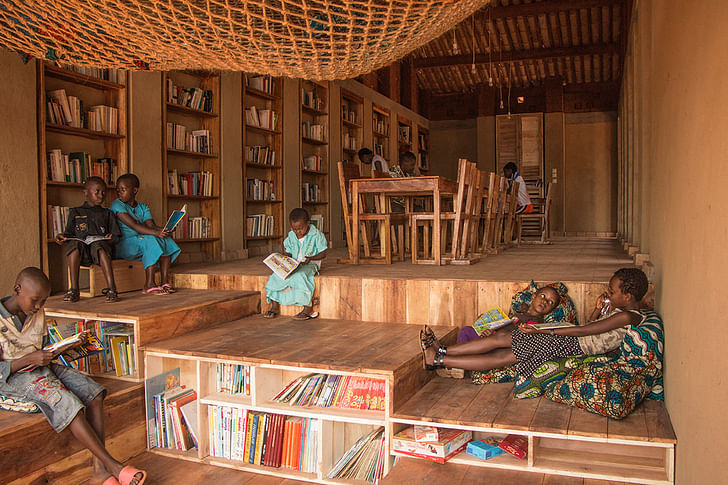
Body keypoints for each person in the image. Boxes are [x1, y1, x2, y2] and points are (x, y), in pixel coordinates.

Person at [0, 267, 147, 485]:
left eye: (44, 301)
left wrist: (63, 349)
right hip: (14, 378)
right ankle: (113, 465)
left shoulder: (36, 312)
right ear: (17, 289)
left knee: (94, 393)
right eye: (35, 300)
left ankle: (99, 472)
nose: (39, 306)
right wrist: (30, 360)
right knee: (68, 402)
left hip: (40, 367)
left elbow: (40, 347)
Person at [421, 268, 649, 378]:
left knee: (501, 347)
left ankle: (440, 355)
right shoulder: (624, 311)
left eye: (612, 291)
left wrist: (544, 330)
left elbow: (585, 330)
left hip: (569, 344)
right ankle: (440, 354)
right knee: (502, 347)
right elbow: (591, 325)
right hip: (569, 340)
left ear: (628, 296)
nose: (609, 293)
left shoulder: (627, 317)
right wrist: (598, 309)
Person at [110, 173, 181, 294]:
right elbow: (134, 226)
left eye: (123, 189)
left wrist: (165, 230)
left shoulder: (143, 207)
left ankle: (164, 282)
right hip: (124, 245)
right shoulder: (117, 205)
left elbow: (151, 226)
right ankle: (149, 284)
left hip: (140, 240)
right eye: (118, 190)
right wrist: (156, 233)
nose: (119, 193)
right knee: (150, 239)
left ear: (134, 190)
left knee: (166, 240)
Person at [55, 177, 121, 303]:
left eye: (103, 192)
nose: (101, 195)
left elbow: (116, 236)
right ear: (85, 192)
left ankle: (112, 289)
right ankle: (74, 289)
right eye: (97, 192)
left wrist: (111, 238)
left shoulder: (107, 213)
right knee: (74, 245)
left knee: (99, 246)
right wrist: (61, 237)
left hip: (99, 251)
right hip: (82, 251)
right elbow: (68, 234)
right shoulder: (75, 212)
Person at [264, 208, 328, 321]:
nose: (298, 231)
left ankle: (308, 309)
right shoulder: (291, 236)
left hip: (310, 264)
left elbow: (323, 253)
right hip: (293, 265)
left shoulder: (317, 235)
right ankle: (274, 306)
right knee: (276, 276)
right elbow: (287, 250)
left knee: (301, 276)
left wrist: (311, 258)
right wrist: (285, 259)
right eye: (295, 229)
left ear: (308, 223)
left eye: (300, 228)